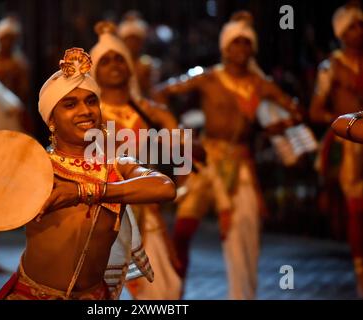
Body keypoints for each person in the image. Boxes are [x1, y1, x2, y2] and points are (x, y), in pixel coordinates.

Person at [0, 47, 176, 300]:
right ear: (52, 120)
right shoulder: (37, 166)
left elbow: (164, 187)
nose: (85, 111)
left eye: (91, 101)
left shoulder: (116, 165)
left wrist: (85, 191)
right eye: (70, 104)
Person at [153, 13, 302, 299]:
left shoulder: (259, 84)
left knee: (243, 236)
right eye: (236, 43)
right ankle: (172, 295)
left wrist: (274, 126)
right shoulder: (208, 78)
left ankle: (242, 295)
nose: (241, 49)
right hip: (204, 160)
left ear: (253, 48)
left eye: (247, 43)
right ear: (224, 47)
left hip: (240, 163)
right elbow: (160, 93)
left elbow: (296, 110)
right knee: (183, 229)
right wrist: (180, 132)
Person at [89, 21, 182, 299]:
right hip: (101, 210)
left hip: (146, 206)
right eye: (106, 61)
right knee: (102, 290)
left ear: (130, 66)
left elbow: (182, 151)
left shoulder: (153, 112)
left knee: (164, 289)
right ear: (95, 70)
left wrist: (189, 146)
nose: (115, 64)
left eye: (120, 58)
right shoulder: (87, 113)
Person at [309, 4, 363, 297]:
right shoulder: (331, 66)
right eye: (353, 26)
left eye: (361, 25)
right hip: (349, 146)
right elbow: (316, 110)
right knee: (356, 211)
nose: (359, 32)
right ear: (341, 33)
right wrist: (344, 124)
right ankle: (359, 274)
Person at [118, 11, 161, 97]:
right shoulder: (117, 64)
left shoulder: (149, 63)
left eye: (136, 40)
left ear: (142, 43)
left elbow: (152, 90)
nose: (132, 44)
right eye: (129, 40)